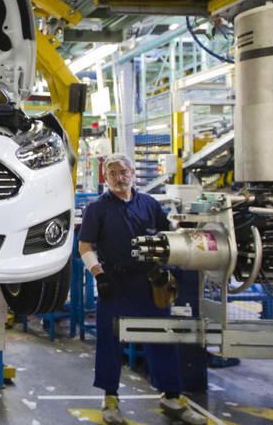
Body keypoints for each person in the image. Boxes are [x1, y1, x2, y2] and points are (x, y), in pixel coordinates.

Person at [78, 153, 206, 425]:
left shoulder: (149, 205)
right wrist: (99, 275)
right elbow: (85, 246)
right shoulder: (97, 209)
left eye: (123, 171)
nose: (118, 177)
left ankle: (171, 395)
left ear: (133, 173)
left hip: (148, 283)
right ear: (105, 177)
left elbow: (169, 237)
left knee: (162, 337)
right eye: (112, 173)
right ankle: (110, 398)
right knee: (109, 341)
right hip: (113, 283)